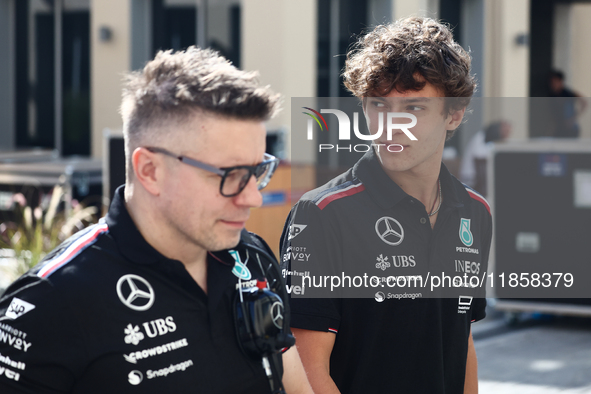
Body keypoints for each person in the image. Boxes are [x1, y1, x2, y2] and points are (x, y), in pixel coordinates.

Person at [0, 47, 313, 394]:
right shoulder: (52, 301)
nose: (253, 197)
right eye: (231, 174)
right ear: (150, 170)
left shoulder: (252, 257)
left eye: (256, 171)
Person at [280, 17, 492, 393]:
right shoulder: (323, 215)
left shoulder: (475, 212)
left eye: (414, 109)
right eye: (378, 105)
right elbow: (307, 373)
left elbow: (463, 342)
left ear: (454, 115)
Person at [459, 120, 511, 195]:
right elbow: (481, 158)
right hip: (471, 179)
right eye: (505, 131)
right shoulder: (480, 138)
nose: (506, 136)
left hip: (481, 180)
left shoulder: (491, 142)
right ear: (497, 129)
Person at [548, 69, 587, 138]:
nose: (553, 85)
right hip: (559, 129)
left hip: (570, 129)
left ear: (560, 81)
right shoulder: (552, 96)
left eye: (555, 82)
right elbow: (553, 115)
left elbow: (584, 102)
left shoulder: (568, 93)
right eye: (552, 82)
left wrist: (574, 117)